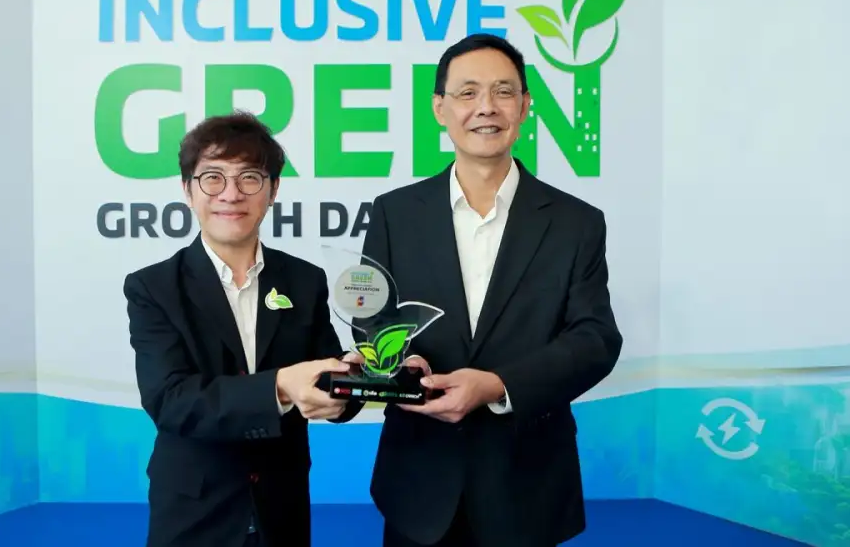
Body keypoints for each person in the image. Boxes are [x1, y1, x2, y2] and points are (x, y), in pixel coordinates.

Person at [351, 34, 623, 546]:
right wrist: (400, 362)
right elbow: (373, 316)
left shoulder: (576, 223)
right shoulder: (394, 213)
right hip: (420, 479)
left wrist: (499, 384)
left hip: (527, 481)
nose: (486, 107)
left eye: (503, 92)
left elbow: (595, 339)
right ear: (440, 108)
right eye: (468, 92)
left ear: (525, 107)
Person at [125, 111, 363, 547]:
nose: (231, 194)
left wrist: (355, 380)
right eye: (212, 178)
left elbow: (326, 379)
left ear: (273, 190)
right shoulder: (154, 287)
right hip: (195, 510)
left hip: (282, 507)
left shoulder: (304, 280)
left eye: (249, 178)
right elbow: (171, 401)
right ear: (187, 190)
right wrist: (280, 386)